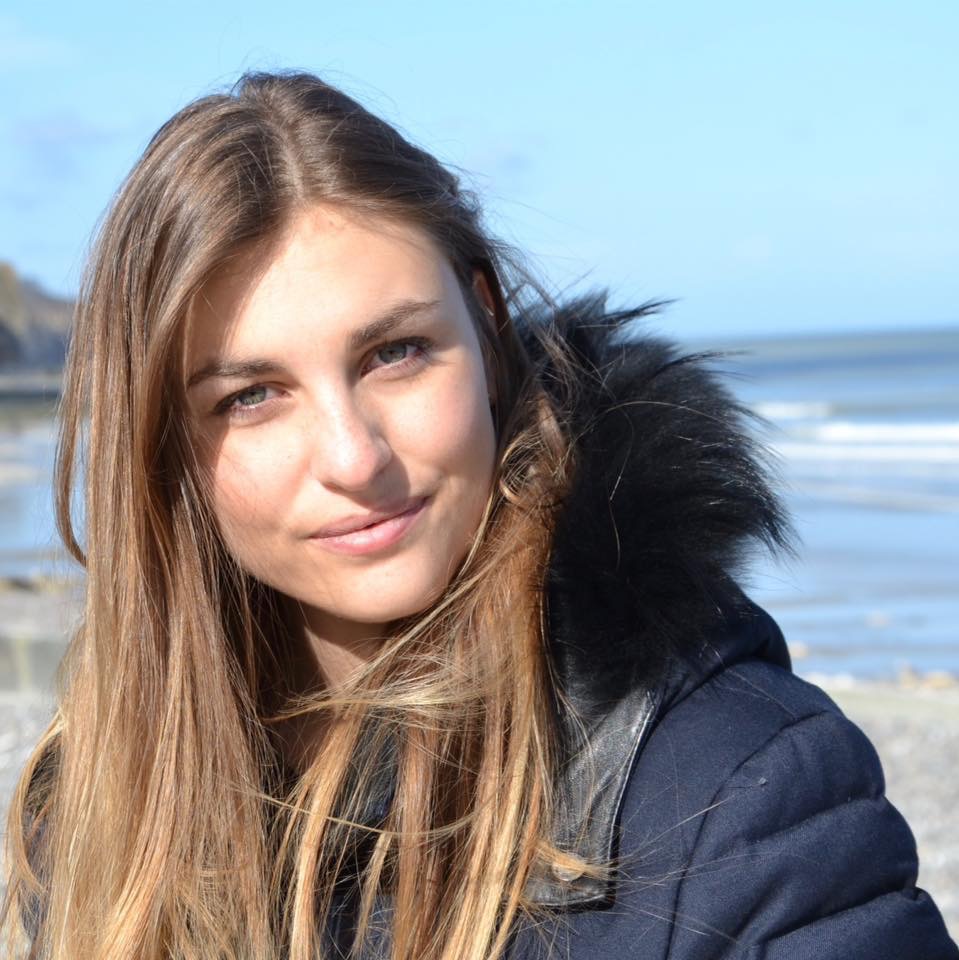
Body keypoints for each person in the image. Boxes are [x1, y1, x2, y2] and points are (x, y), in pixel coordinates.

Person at [1, 70, 956, 960]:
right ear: (163, 447)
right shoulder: (98, 805)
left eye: (395, 353)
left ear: (485, 324)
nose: (353, 457)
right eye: (251, 396)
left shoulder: (741, 794)